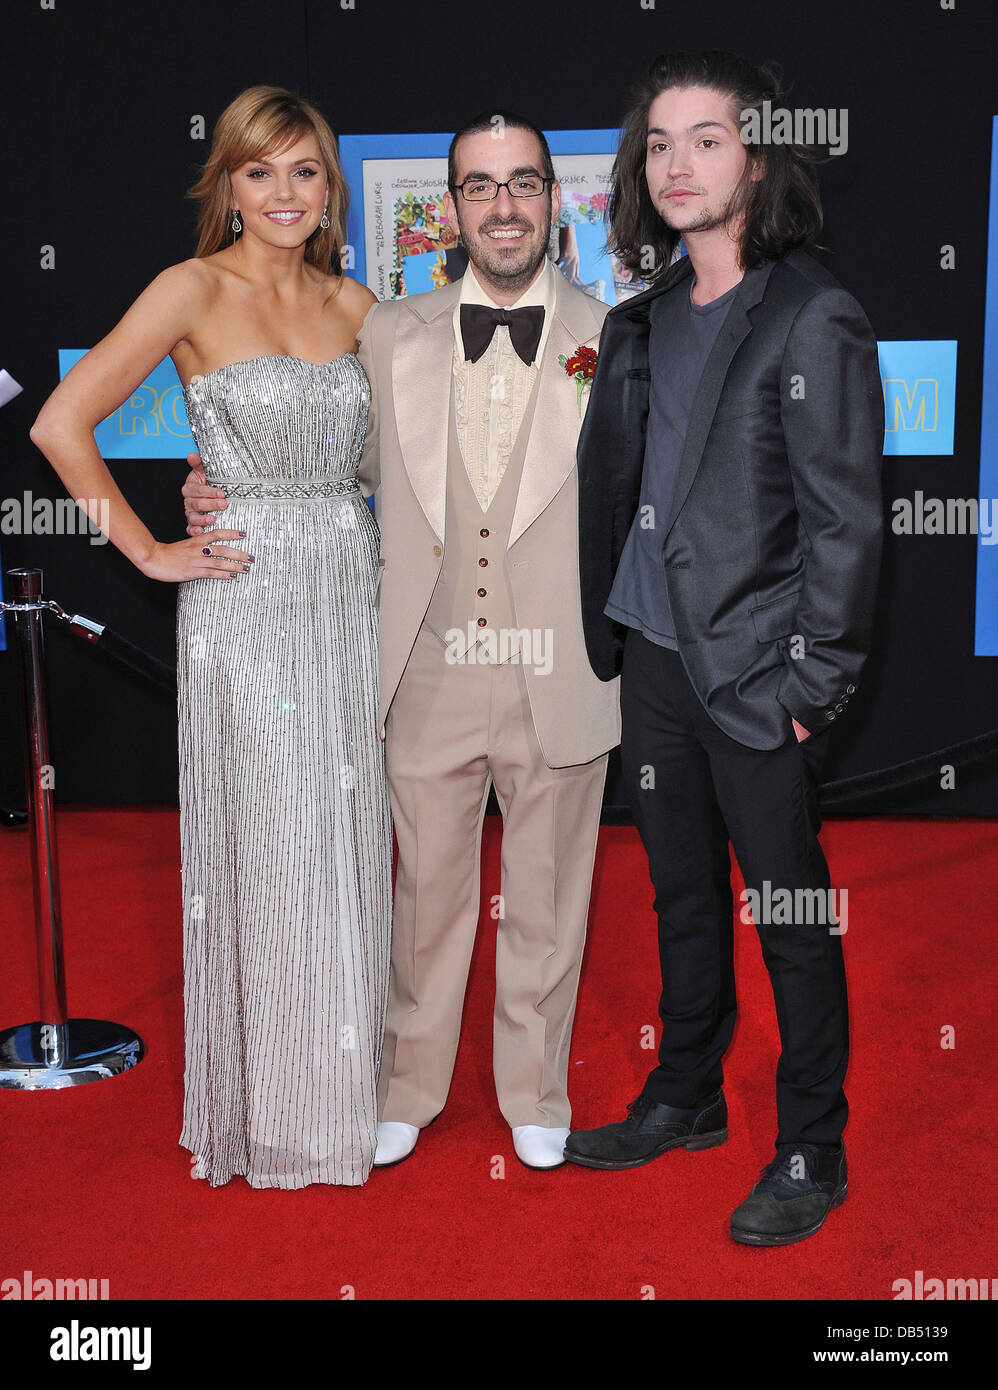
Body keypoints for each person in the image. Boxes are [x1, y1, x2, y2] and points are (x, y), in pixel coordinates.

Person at [185, 109, 620, 1170]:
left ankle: (533, 1088)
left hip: (558, 664)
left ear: (553, 202)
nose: (503, 205)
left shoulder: (616, 337)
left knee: (549, 897)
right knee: (423, 895)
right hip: (422, 662)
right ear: (453, 207)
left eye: (523, 183)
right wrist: (206, 485)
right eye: (480, 186)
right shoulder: (388, 330)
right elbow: (326, 457)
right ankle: (409, 1084)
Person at [31, 85, 392, 1188]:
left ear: (330, 188)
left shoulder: (360, 304)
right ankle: (280, 1115)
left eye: (305, 171)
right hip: (243, 603)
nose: (284, 193)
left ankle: (347, 1089)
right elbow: (60, 422)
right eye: (259, 171)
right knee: (276, 844)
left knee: (345, 839)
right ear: (226, 185)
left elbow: (390, 468)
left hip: (348, 591)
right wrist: (147, 549)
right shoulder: (191, 288)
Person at [569, 51, 883, 1243]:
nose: (678, 164)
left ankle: (811, 1140)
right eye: (658, 144)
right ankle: (685, 1092)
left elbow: (847, 520)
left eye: (706, 139)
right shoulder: (638, 320)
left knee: (789, 915)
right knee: (679, 895)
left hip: (756, 679)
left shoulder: (813, 314)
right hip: (650, 661)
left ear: (756, 155)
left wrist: (814, 686)